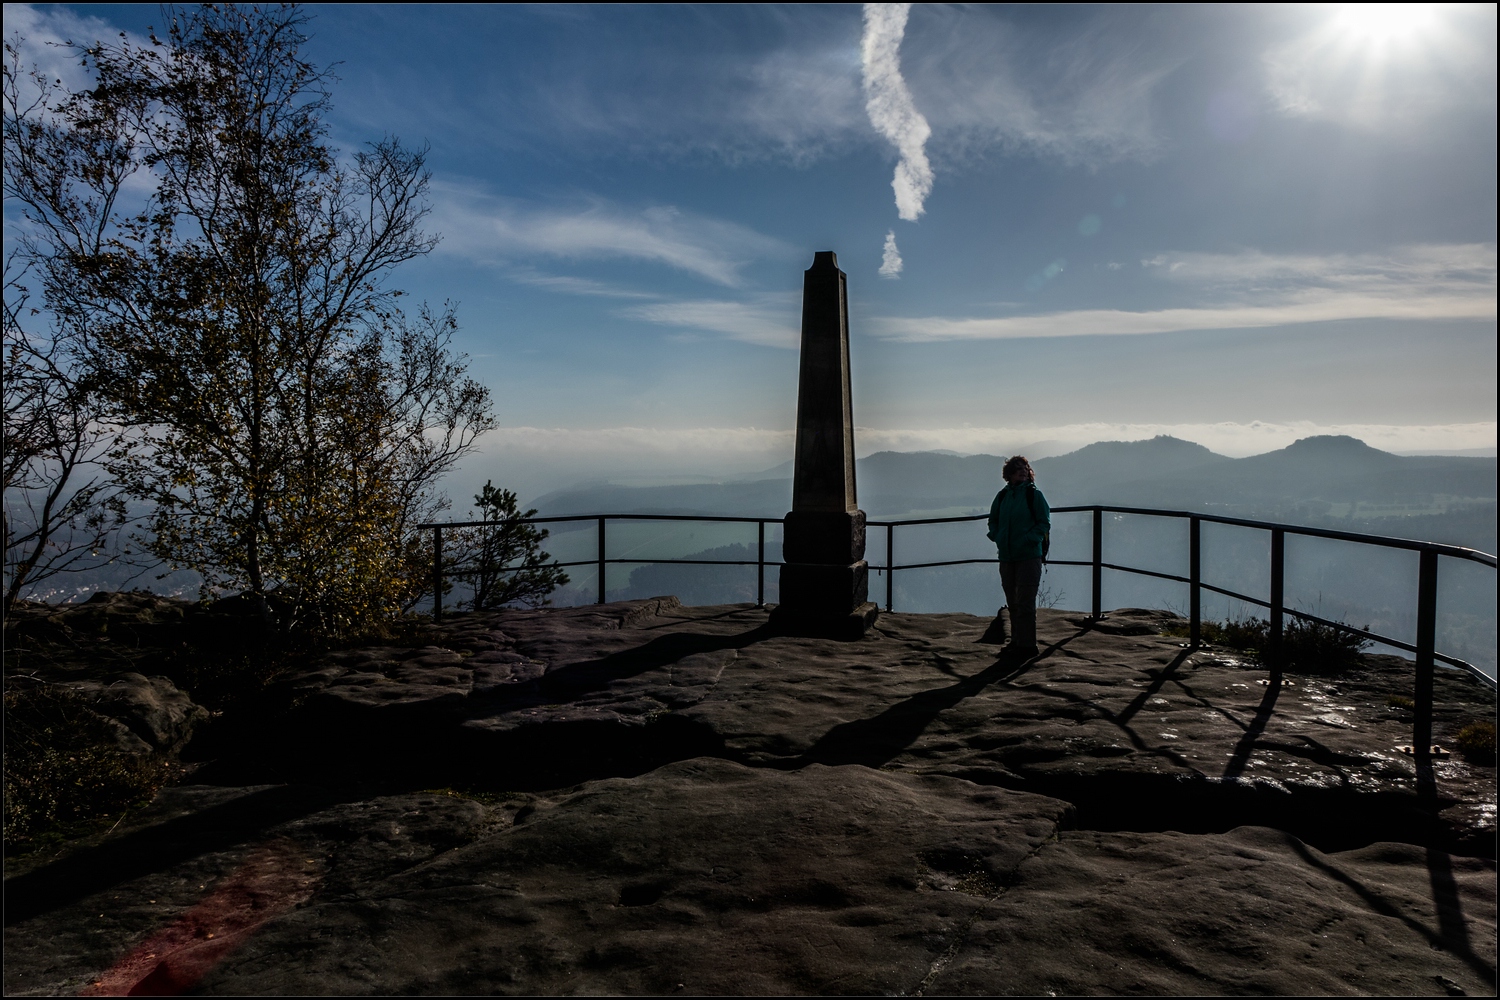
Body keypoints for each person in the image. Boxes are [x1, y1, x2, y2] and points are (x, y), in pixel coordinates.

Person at [987, 455, 1050, 660]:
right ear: (1009, 474)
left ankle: (1027, 646)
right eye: (1017, 468)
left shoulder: (1034, 495)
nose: (1022, 471)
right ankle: (1016, 642)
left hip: (1029, 556)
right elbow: (993, 520)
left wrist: (1029, 540)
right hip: (1007, 556)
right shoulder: (1003, 496)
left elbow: (1044, 523)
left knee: (1025, 602)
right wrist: (996, 537)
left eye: (1025, 468)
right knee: (1012, 602)